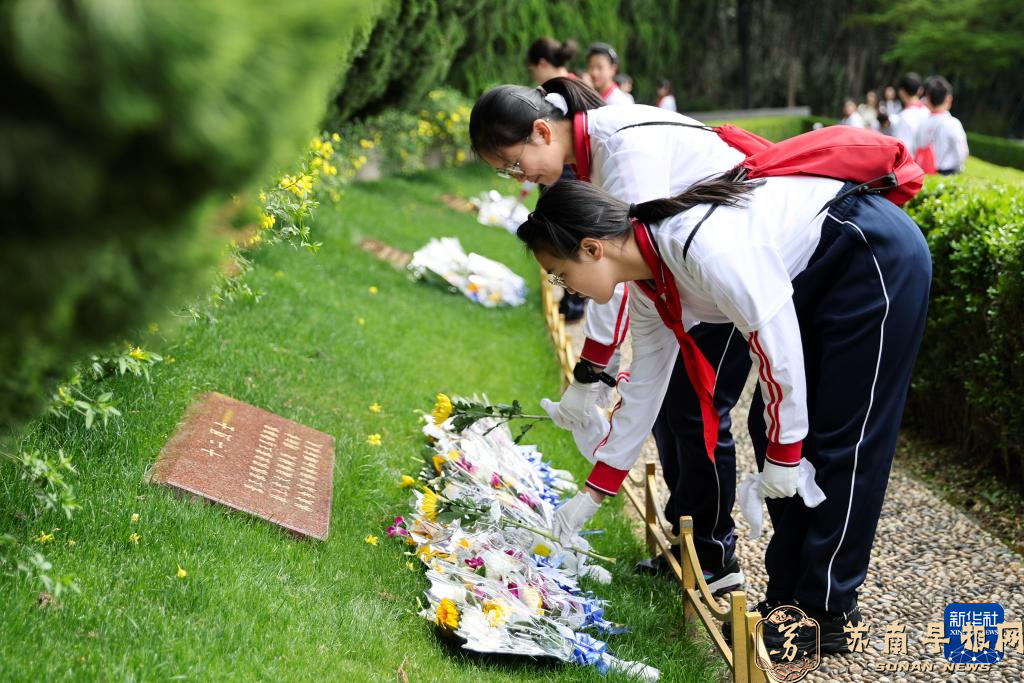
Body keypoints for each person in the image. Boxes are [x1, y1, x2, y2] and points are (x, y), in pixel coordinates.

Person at [519, 173, 931, 656]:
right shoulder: (652, 280)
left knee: (842, 437)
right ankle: (789, 600)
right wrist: (592, 494)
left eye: (558, 273)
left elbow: (774, 345)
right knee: (768, 426)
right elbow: (646, 391)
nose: (562, 285)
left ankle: (827, 611)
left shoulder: (700, 250)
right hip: (818, 273)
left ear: (592, 249)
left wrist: (785, 451)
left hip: (870, 253)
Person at [469, 77, 754, 596]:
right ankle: (689, 544)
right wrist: (594, 479)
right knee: (668, 403)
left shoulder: (619, 150)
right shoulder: (593, 154)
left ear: (540, 131)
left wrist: (589, 376)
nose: (519, 178)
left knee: (697, 409)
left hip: (725, 276)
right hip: (688, 279)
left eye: (514, 164)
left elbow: (620, 269)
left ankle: (714, 554)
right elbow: (627, 280)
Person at [914, 76, 968, 175]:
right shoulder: (953, 123)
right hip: (947, 174)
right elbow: (962, 153)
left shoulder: (922, 123)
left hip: (925, 173)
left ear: (928, 100)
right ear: (948, 99)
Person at [892, 72, 929, 153]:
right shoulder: (928, 112)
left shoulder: (904, 117)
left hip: (912, 162)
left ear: (902, 92)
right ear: (920, 90)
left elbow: (902, 149)